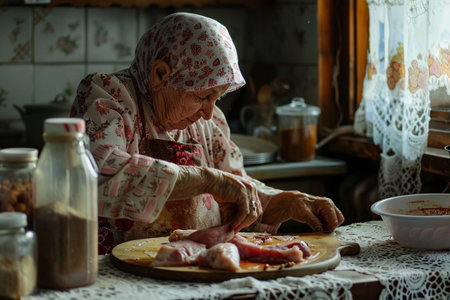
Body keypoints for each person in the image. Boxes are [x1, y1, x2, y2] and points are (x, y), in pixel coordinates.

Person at [70, 12, 344, 254]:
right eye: (202, 96)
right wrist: (206, 179)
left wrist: (280, 201)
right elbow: (97, 172)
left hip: (193, 268)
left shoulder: (208, 122)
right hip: (114, 274)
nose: (209, 113)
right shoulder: (111, 97)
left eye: (218, 98)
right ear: (159, 75)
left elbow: (236, 191)